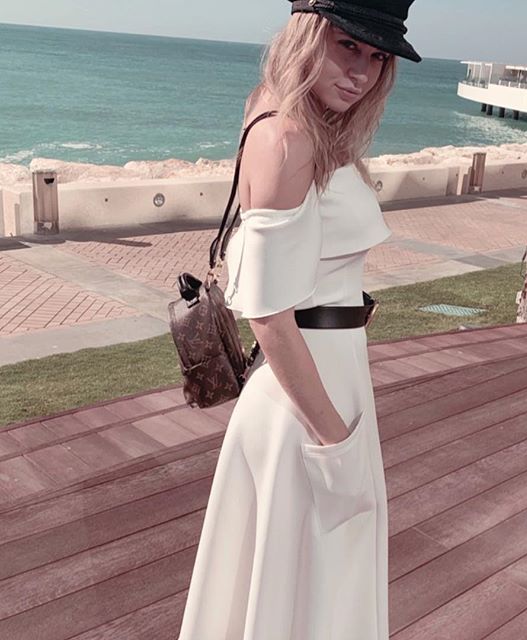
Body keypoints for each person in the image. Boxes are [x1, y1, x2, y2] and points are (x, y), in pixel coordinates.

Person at [177, 2, 421, 638]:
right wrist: (336, 442)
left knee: (300, 589)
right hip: (306, 401)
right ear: (307, 36)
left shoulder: (288, 115)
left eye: (377, 56)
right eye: (347, 45)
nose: (362, 72)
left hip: (322, 379)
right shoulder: (288, 138)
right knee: (316, 587)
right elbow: (268, 316)